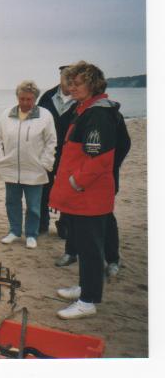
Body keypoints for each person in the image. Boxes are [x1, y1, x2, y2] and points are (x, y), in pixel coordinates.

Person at [49, 61, 121, 320]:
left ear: (93, 84)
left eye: (78, 83)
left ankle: (88, 301)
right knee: (83, 246)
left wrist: (75, 182)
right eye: (71, 82)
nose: (72, 87)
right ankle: (85, 287)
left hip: (88, 195)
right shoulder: (86, 109)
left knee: (90, 249)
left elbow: (101, 158)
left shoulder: (98, 113)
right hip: (82, 196)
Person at [55, 109, 131, 274]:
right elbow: (63, 141)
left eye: (76, 83)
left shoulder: (106, 113)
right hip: (74, 177)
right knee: (70, 216)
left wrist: (110, 167)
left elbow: (124, 144)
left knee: (106, 218)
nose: (71, 86)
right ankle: (71, 252)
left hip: (99, 177)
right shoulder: (74, 110)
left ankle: (112, 259)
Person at [0, 81, 57, 249]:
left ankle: (31, 234)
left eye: (29, 99)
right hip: (11, 168)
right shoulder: (6, 114)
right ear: (17, 97)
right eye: (22, 98)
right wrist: (0, 160)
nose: (25, 103)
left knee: (34, 206)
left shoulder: (45, 115)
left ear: (35, 98)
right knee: (11, 202)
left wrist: (45, 164)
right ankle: (14, 231)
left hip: (35, 170)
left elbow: (51, 142)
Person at [37, 66, 77, 235]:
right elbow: (36, 121)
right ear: (60, 76)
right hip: (47, 151)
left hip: (71, 153)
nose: (68, 80)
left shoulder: (81, 98)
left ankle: (65, 224)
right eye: (65, 76)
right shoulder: (47, 96)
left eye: (72, 77)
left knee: (68, 189)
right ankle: (42, 223)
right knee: (44, 187)